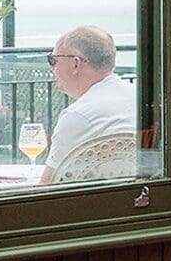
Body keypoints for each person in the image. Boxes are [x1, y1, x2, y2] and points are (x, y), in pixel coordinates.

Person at [41, 25, 136, 183]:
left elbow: (45, 190)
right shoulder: (139, 99)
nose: (52, 68)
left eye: (53, 60)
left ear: (76, 64)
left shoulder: (78, 117)